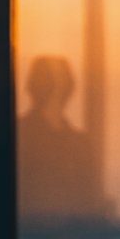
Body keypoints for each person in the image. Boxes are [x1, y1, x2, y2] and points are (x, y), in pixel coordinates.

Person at [18, 55, 101, 223]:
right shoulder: (21, 133)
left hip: (75, 232)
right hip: (32, 233)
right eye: (52, 78)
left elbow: (88, 191)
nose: (58, 85)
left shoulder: (79, 142)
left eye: (62, 78)